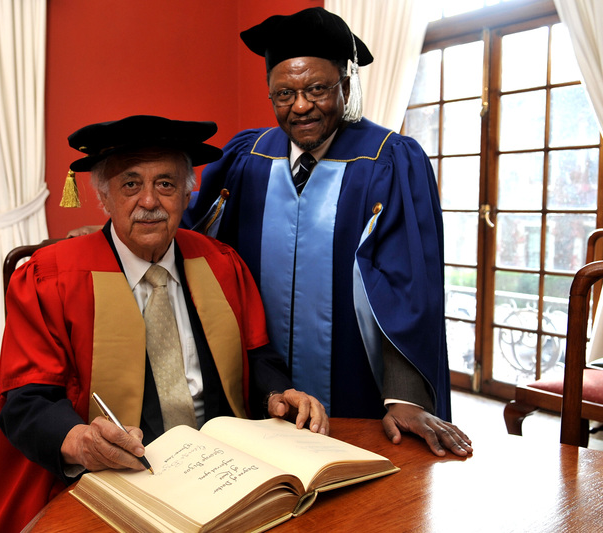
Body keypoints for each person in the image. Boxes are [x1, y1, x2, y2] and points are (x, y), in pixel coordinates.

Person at [0, 114, 328, 533]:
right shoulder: (48, 278)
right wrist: (79, 441)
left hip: (224, 464)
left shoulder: (220, 263)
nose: (149, 201)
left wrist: (277, 393)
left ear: (186, 193)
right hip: (114, 475)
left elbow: (257, 354)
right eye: (130, 184)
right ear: (104, 198)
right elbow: (26, 400)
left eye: (165, 184)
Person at [182, 8, 472, 458]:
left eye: (317, 88)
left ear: (346, 85)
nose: (300, 105)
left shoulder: (388, 160)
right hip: (260, 384)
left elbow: (409, 286)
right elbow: (190, 237)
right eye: (284, 93)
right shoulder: (246, 158)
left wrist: (405, 398)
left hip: (357, 386)